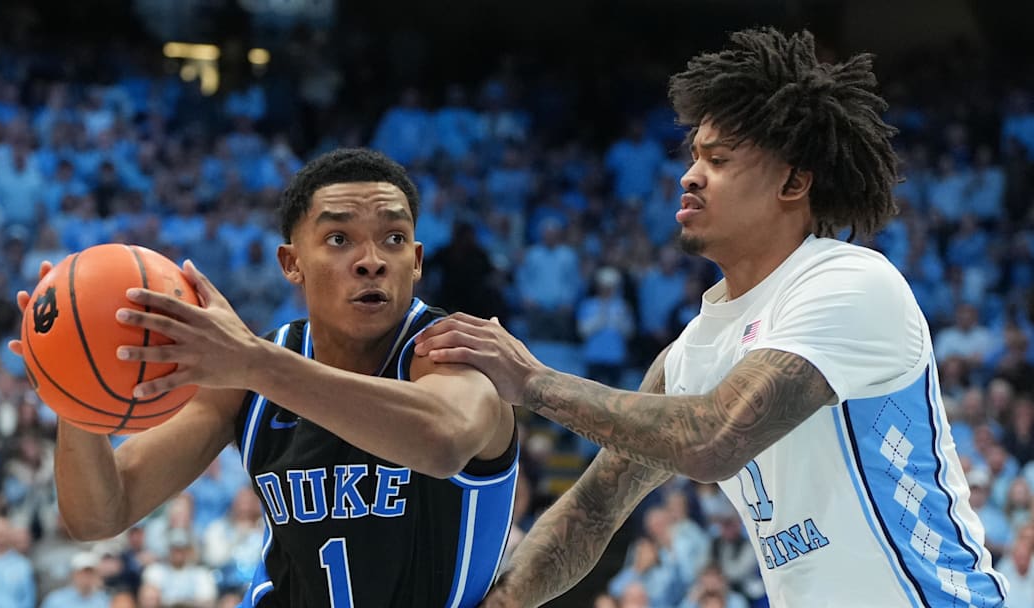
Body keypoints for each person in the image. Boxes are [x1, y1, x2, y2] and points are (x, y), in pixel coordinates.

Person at [414, 28, 1009, 607]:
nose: (689, 175)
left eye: (719, 160)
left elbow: (714, 440)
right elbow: (594, 508)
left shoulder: (848, 281)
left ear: (794, 181)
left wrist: (534, 382)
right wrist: (507, 600)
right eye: (694, 156)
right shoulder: (692, 349)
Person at [10, 148, 519, 607]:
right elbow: (101, 513)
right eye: (339, 239)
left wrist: (255, 364)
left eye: (394, 238)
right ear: (291, 263)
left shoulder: (456, 351)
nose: (371, 262)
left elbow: (442, 442)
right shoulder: (253, 372)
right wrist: (72, 384)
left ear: (417, 261)